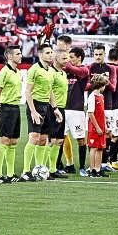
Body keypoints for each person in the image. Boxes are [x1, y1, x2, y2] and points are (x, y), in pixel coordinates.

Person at [86, 43, 118, 172]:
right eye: (96, 54)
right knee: (93, 135)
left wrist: (105, 80)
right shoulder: (89, 68)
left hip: (108, 106)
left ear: (105, 55)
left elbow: (114, 88)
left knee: (109, 134)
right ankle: (94, 166)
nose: (98, 57)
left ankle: (104, 163)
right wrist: (97, 82)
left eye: (100, 54)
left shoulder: (111, 68)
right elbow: (85, 86)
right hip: (93, 104)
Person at [20, 43, 62, 182]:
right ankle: (26, 171)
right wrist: (32, 111)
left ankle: (39, 168)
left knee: (43, 140)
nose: (51, 55)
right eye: (48, 53)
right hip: (35, 105)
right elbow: (27, 91)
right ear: (40, 54)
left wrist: (55, 109)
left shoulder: (51, 71)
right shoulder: (34, 70)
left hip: (46, 107)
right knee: (34, 137)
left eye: (51, 52)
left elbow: (50, 91)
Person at [0, 46, 23, 183]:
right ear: (9, 56)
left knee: (13, 142)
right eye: (17, 54)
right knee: (4, 141)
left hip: (16, 108)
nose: (20, 56)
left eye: (20, 53)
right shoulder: (5, 71)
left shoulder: (18, 72)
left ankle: (10, 174)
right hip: (6, 109)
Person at [62, 44, 90, 176]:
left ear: (79, 58)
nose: (69, 59)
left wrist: (64, 57)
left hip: (76, 110)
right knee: (59, 138)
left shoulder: (84, 70)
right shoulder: (67, 70)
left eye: (72, 57)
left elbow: (68, 66)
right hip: (63, 108)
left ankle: (82, 167)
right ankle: (60, 166)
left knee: (80, 139)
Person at [46, 44, 69, 179]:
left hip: (62, 108)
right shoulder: (51, 73)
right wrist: (54, 108)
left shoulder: (63, 73)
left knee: (60, 140)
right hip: (53, 109)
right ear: (55, 58)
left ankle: (53, 169)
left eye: (67, 58)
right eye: (64, 58)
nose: (67, 60)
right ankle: (47, 169)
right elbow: (48, 90)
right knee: (52, 140)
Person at [87, 74, 109, 178]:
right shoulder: (92, 97)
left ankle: (98, 168)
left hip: (101, 127)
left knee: (101, 148)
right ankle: (92, 170)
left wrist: (105, 125)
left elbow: (102, 112)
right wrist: (97, 127)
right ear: (100, 85)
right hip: (94, 128)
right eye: (104, 85)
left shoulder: (101, 96)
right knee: (94, 148)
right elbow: (91, 113)